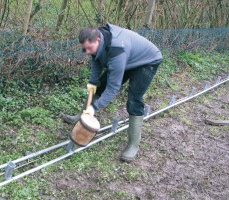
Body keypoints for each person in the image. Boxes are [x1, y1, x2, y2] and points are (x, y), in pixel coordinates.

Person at [62, 23, 163, 162]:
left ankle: (133, 145)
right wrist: (93, 84)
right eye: (84, 49)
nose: (87, 52)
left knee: (134, 100)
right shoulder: (97, 43)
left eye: (89, 48)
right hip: (128, 57)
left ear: (97, 40)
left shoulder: (116, 51)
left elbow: (113, 88)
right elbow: (95, 66)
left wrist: (94, 108)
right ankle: (80, 116)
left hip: (146, 61)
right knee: (98, 86)